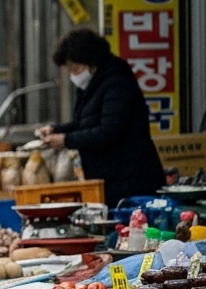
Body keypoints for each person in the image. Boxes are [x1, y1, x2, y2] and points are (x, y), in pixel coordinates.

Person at [36, 28, 165, 207]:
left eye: (75, 67)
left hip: (130, 180)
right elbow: (83, 123)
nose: (72, 74)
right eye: (69, 69)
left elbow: (109, 130)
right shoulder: (90, 85)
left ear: (92, 62)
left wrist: (67, 140)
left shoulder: (117, 82)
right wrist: (55, 130)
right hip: (109, 178)